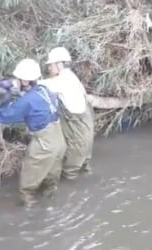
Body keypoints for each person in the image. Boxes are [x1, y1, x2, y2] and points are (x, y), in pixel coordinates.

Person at [0, 58, 66, 207]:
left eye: (18, 79)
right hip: (59, 140)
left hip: (45, 143)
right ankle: (51, 202)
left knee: (27, 182)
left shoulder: (27, 101)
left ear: (25, 81)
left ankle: (29, 211)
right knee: (51, 176)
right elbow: (35, 106)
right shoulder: (44, 89)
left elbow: (5, 116)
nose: (15, 81)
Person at [38, 47, 95, 180]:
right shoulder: (71, 77)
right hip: (86, 130)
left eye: (50, 65)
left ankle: (71, 182)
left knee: (70, 170)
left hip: (77, 129)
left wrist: (18, 83)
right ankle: (84, 171)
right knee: (82, 159)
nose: (49, 69)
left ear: (59, 64)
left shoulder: (63, 81)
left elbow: (40, 85)